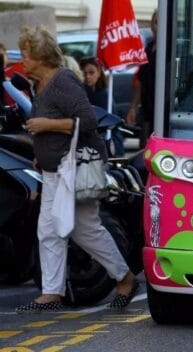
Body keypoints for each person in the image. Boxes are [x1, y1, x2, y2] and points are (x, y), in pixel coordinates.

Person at [14, 26, 138, 313]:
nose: (22, 61)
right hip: (54, 168)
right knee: (49, 230)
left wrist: (46, 125)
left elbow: (87, 121)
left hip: (74, 169)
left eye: (25, 54)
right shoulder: (39, 84)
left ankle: (124, 278)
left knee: (84, 230)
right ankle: (53, 293)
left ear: (41, 56)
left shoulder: (63, 81)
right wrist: (39, 152)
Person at [127, 9, 157, 148]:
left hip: (160, 111)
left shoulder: (171, 49)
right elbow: (140, 80)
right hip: (147, 109)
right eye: (156, 22)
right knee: (144, 148)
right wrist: (133, 107)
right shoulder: (148, 48)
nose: (158, 27)